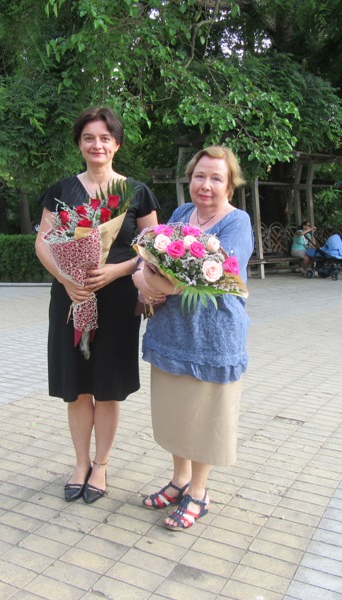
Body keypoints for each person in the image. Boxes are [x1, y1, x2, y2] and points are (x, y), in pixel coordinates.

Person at [35, 107, 160, 504]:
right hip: (70, 299)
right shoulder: (61, 191)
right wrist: (66, 279)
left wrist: (117, 270)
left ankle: (101, 465)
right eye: (89, 137)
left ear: (117, 144)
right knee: (76, 388)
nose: (97, 145)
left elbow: (153, 247)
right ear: (79, 144)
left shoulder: (135, 192)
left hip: (118, 299)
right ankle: (79, 463)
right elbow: (43, 242)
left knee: (107, 388)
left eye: (105, 138)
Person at [132, 146, 253, 530]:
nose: (206, 185)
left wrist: (153, 283)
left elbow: (215, 275)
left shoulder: (237, 222)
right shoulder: (183, 213)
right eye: (200, 176)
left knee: (203, 418)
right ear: (190, 178)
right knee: (177, 414)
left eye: (216, 178)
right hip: (173, 332)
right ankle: (179, 480)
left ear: (230, 185)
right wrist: (141, 276)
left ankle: (198, 493)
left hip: (212, 336)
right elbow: (152, 258)